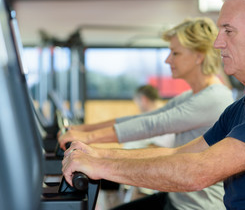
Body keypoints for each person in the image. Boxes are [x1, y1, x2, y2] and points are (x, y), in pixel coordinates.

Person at [63, 0, 245, 209]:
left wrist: (101, 167)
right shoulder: (244, 106)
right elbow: (181, 154)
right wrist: (98, 155)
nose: (218, 42)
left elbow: (197, 172)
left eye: (228, 31)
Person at [60, 17, 234, 209]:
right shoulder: (192, 95)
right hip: (176, 199)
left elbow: (154, 124)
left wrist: (89, 138)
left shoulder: (215, 97)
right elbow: (144, 117)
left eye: (175, 53)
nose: (168, 59)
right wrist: (80, 130)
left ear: (198, 56)